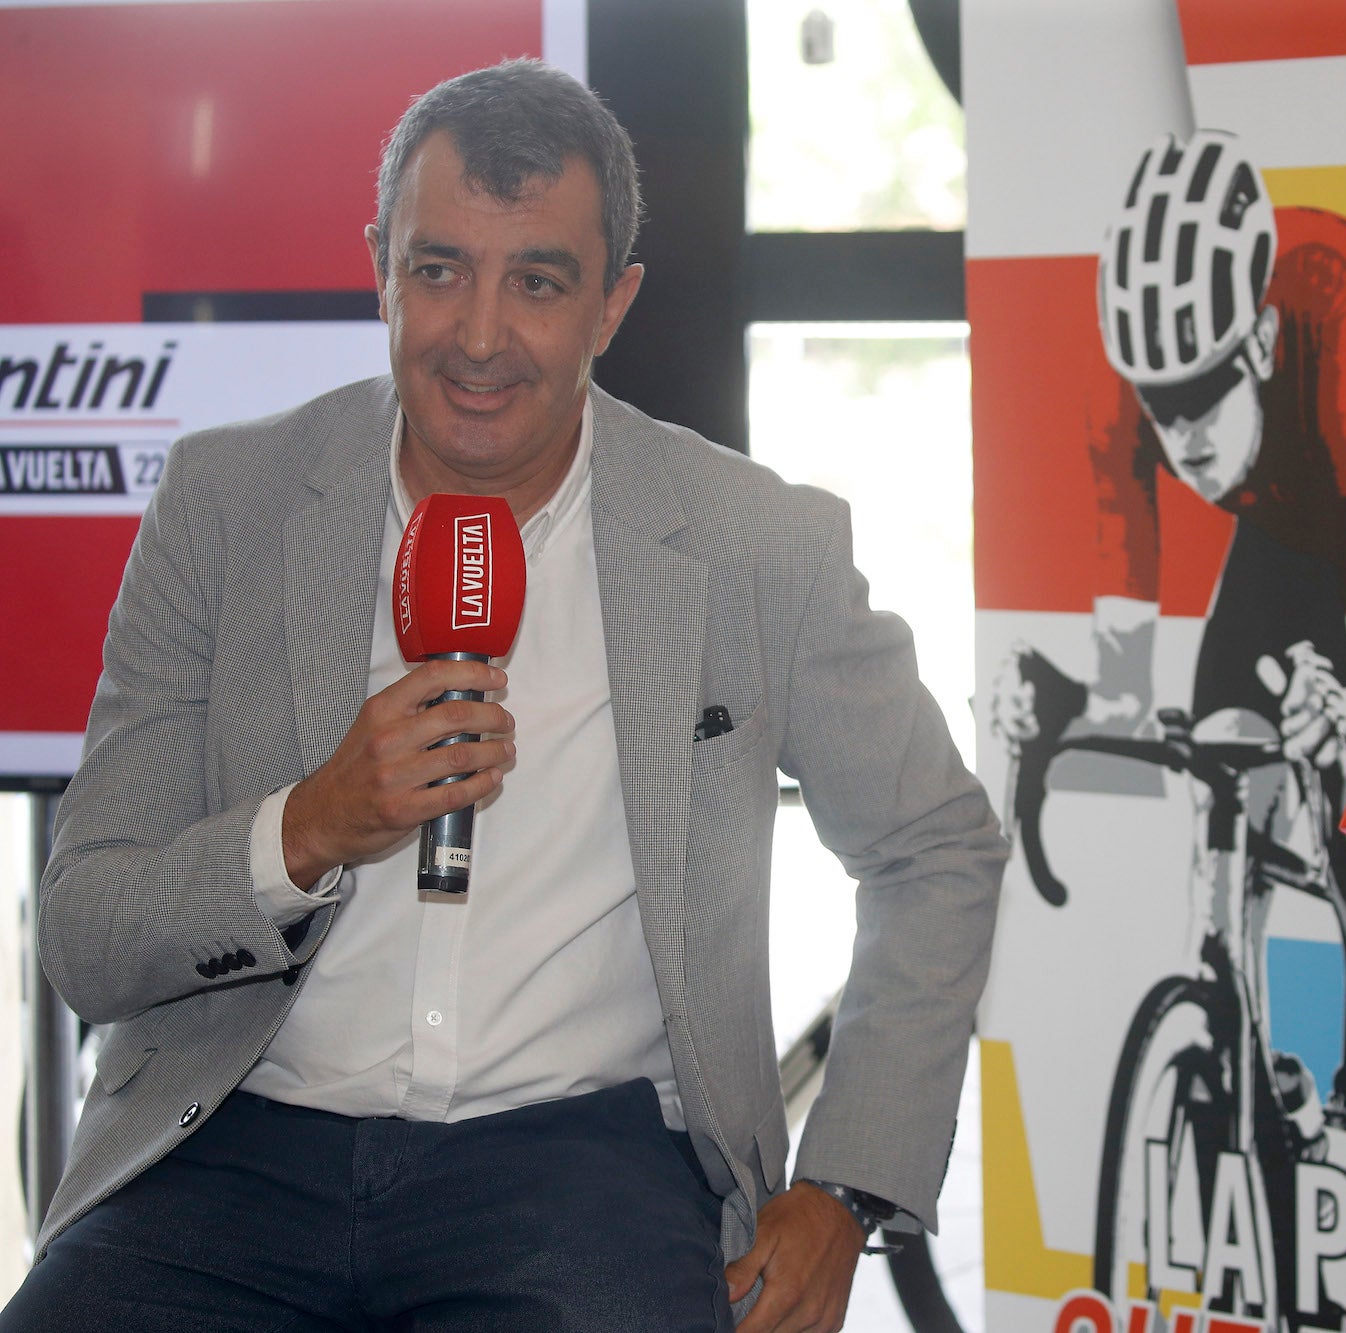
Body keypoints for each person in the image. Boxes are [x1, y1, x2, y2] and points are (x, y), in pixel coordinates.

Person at [5, 59, 1004, 1332]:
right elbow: (89, 930)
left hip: (575, 1165)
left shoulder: (755, 543)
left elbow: (934, 847)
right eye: (439, 270)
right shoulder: (226, 504)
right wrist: (306, 829)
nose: (479, 335)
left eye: (536, 281)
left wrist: (846, 1186)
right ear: (380, 266)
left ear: (612, 304)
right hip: (232, 1140)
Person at [993, 129, 1346, 1164]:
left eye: (1202, 396)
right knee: (1219, 769)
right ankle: (1230, 1043)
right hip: (1294, 535)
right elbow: (1130, 697)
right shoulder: (1126, 377)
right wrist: (1059, 703)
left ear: (1257, 340)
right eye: (1159, 410)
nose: (1182, 441)